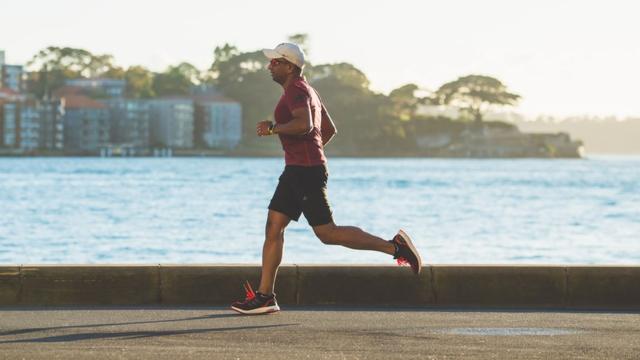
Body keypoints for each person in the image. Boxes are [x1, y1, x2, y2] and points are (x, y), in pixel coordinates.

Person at [230, 43, 422, 315]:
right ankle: (265, 296)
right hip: (298, 170)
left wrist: (274, 129)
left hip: (304, 172)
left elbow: (305, 125)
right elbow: (328, 129)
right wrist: (310, 152)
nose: (269, 66)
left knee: (327, 233)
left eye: (275, 62)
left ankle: (395, 247)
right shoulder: (308, 90)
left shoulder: (297, 90)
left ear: (289, 66)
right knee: (274, 227)